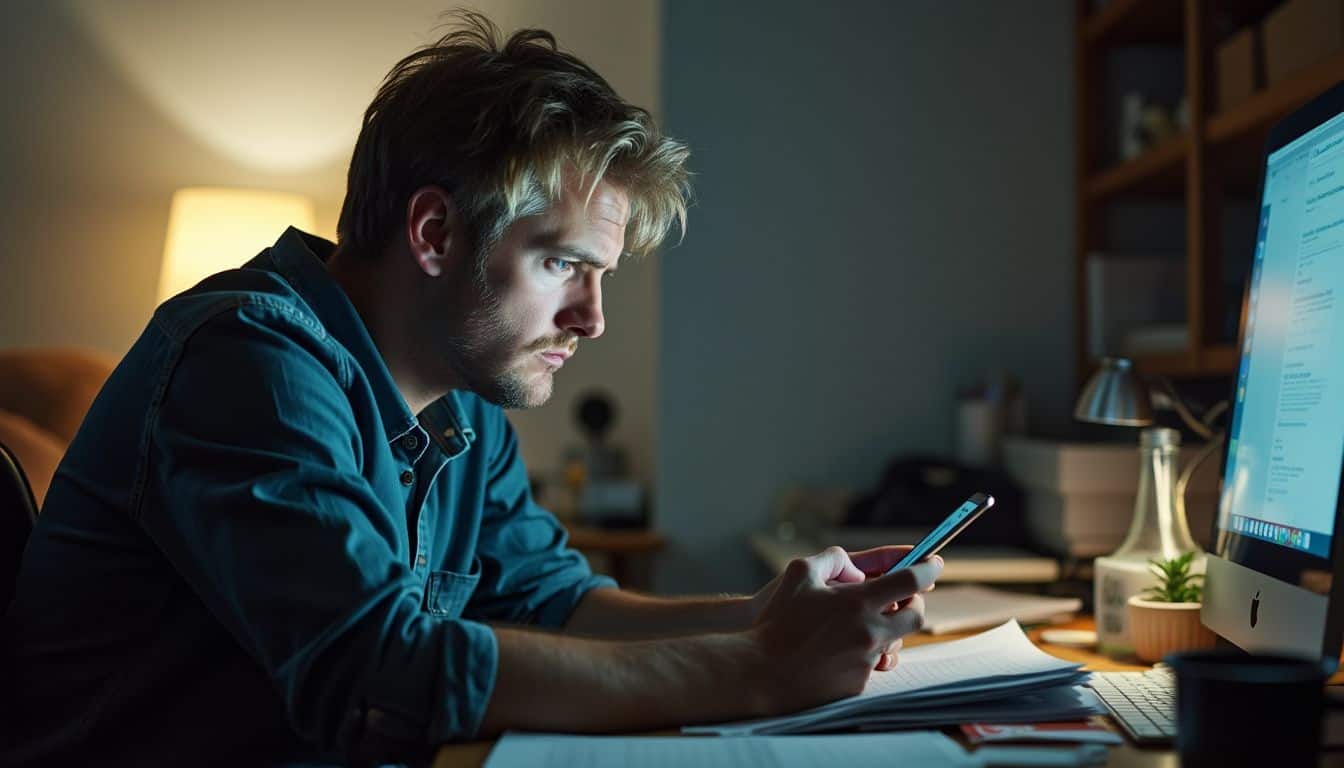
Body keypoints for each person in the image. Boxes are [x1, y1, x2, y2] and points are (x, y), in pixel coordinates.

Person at [1, 11, 939, 765]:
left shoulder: (462, 397)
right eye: (564, 265)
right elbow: (377, 672)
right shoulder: (248, 361)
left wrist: (761, 612)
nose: (592, 319)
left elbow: (548, 599)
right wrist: (761, 671)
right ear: (436, 234)